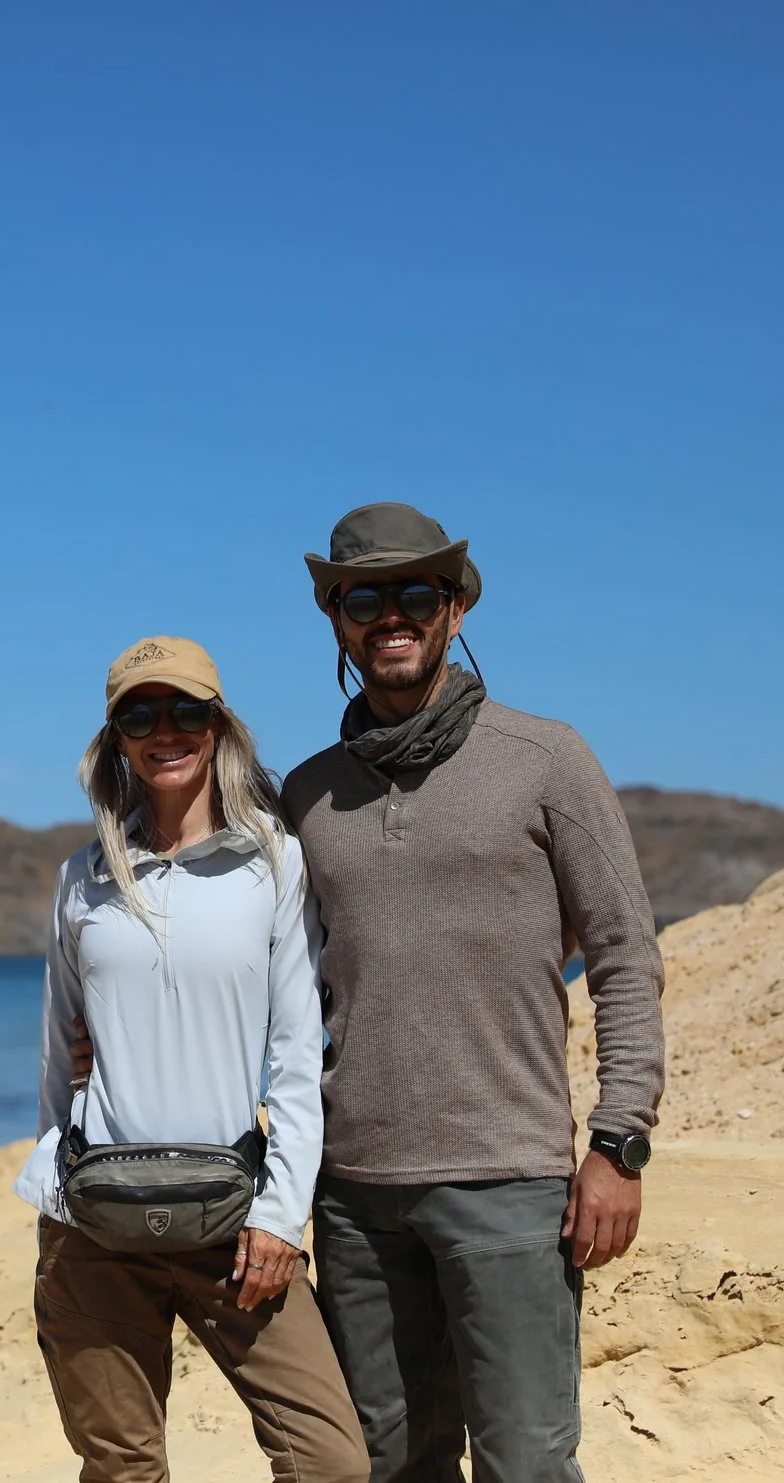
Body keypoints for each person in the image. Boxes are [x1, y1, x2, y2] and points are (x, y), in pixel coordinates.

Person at [285, 503, 666, 1483]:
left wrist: (619, 1141)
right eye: (364, 599)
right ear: (336, 619)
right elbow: (271, 981)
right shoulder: (307, 793)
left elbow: (625, 953)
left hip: (508, 1183)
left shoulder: (545, 759)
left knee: (525, 1462)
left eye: (417, 592)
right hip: (353, 1196)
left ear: (455, 609)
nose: (392, 615)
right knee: (386, 1463)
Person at [17, 636, 367, 1483]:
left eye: (185, 710)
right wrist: (54, 1192)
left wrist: (280, 1215)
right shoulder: (82, 878)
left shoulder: (274, 861)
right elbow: (58, 1051)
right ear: (116, 739)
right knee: (124, 1468)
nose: (164, 730)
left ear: (218, 726)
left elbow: (296, 1052)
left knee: (330, 1461)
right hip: (94, 1219)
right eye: (140, 715)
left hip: (232, 1215)